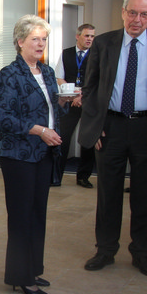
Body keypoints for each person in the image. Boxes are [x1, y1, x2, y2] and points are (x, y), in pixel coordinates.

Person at [78, 0, 147, 278]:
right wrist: (95, 125)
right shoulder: (103, 43)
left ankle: (141, 251)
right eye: (133, 12)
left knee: (146, 195)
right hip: (110, 128)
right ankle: (105, 250)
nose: (137, 19)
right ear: (123, 12)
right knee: (108, 193)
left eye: (144, 14)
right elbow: (90, 87)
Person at [0, 15, 73, 294]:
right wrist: (40, 131)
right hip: (18, 154)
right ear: (20, 42)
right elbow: (4, 118)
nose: (40, 44)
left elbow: (51, 109)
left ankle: (33, 269)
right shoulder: (8, 75)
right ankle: (21, 277)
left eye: (44, 39)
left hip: (44, 152)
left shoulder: (47, 72)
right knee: (21, 216)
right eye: (35, 39)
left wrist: (63, 100)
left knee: (38, 214)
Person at [55, 23, 96, 188]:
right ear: (78, 36)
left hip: (89, 101)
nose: (90, 39)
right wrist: (72, 94)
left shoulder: (97, 54)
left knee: (87, 140)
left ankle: (83, 177)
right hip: (69, 101)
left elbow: (98, 80)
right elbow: (59, 77)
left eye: (92, 36)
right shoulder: (66, 53)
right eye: (87, 36)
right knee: (62, 138)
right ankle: (56, 176)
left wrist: (82, 95)